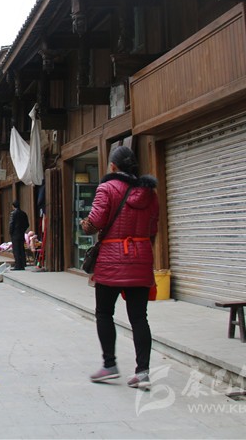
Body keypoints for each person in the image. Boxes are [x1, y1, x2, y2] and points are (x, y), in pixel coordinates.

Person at [80, 146, 159, 390]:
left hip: (111, 261)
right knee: (139, 317)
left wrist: (84, 224)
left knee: (104, 312)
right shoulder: (149, 193)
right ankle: (142, 373)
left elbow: (95, 223)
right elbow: (153, 228)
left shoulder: (107, 188)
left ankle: (110, 365)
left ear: (113, 166)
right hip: (141, 258)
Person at [9, 200, 29, 270]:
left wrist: (11, 232)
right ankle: (23, 264)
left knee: (16, 250)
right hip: (21, 233)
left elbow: (11, 224)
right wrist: (23, 230)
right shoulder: (24, 213)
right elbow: (27, 224)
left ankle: (18, 265)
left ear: (13, 206)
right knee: (21, 249)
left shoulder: (13, 214)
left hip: (15, 234)